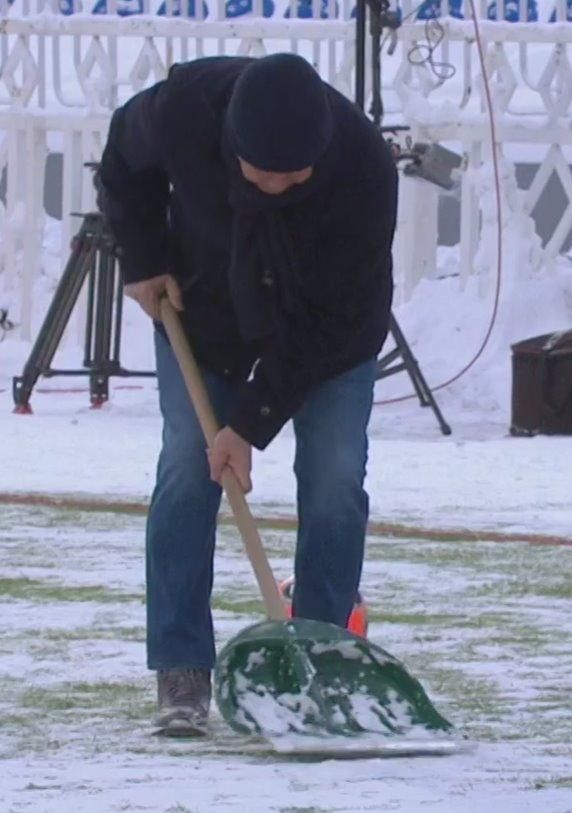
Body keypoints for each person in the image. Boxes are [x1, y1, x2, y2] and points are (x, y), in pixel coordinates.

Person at [94, 53, 397, 737]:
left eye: (298, 178)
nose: (283, 188)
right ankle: (180, 669)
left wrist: (249, 424)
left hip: (328, 336)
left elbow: (326, 327)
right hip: (204, 315)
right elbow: (121, 163)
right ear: (234, 148)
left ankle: (322, 659)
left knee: (335, 477)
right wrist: (143, 258)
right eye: (268, 177)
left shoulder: (363, 170)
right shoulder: (183, 110)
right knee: (184, 468)